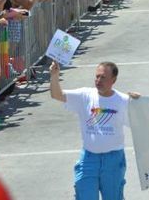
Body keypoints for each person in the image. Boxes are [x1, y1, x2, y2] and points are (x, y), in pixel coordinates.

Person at [49, 60, 139, 200]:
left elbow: (144, 120)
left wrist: (141, 102)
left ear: (113, 80)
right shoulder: (84, 95)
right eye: (97, 76)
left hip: (113, 161)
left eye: (103, 77)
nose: (98, 80)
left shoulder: (123, 100)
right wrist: (54, 75)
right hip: (89, 159)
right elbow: (57, 95)